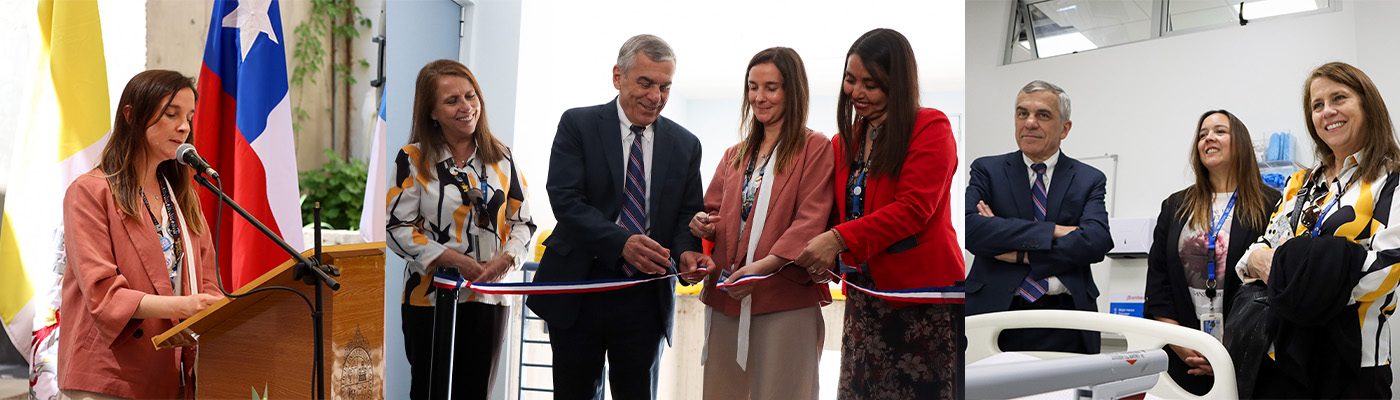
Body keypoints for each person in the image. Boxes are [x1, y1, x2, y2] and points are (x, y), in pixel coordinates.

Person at [526, 34, 710, 400]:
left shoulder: (686, 144)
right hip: (579, 289)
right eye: (645, 83)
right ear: (618, 76)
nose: (655, 97)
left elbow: (686, 214)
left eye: (665, 86)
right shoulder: (577, 125)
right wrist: (621, 243)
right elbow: (565, 200)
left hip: (645, 297)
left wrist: (687, 250)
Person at [792, 28, 962, 399]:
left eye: (871, 84)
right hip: (864, 298)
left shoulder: (930, 127)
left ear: (897, 84)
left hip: (922, 299)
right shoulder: (845, 140)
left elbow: (913, 209)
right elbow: (837, 213)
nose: (856, 93)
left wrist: (836, 239)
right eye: (850, 80)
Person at [1237, 61, 1400, 399]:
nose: (1328, 111)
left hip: (1352, 366)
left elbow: (1388, 265)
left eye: (1339, 98)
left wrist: (1290, 276)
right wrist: (1305, 268)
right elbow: (1257, 252)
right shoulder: (1300, 184)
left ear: (1367, 104)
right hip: (1278, 356)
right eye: (1317, 105)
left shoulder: (1392, 179)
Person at [58, 70, 223, 400]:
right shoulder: (90, 193)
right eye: (171, 113)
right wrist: (185, 305)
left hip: (173, 370)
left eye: (189, 116)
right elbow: (104, 294)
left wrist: (216, 306)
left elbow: (206, 283)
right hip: (109, 374)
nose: (184, 127)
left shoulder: (183, 198)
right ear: (132, 116)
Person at [686, 47, 833, 400]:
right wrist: (703, 224)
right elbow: (713, 210)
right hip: (728, 297)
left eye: (771, 87)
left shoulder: (814, 147)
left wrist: (760, 270)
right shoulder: (735, 155)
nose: (759, 97)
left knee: (784, 391)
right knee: (723, 392)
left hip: (783, 299)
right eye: (753, 87)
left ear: (792, 91)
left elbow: (810, 221)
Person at [386, 59, 536, 400]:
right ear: (432, 112)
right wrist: (451, 259)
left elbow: (523, 223)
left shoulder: (502, 158)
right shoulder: (413, 158)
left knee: (476, 393)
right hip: (430, 299)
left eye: (471, 96)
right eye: (452, 101)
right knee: (430, 391)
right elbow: (397, 226)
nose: (466, 107)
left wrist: (507, 260)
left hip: (489, 297)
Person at [964, 80, 1114, 354]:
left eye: (1043, 115)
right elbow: (972, 230)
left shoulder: (1089, 179)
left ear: (1064, 128)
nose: (1030, 122)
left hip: (1068, 320)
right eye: (1022, 113)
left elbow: (1096, 240)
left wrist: (1021, 254)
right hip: (995, 316)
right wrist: (1055, 230)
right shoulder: (987, 170)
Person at [1143, 110, 1280, 395]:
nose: (1208, 139)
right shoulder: (1175, 206)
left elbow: (1274, 288)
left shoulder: (1271, 204)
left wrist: (1228, 352)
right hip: (1183, 358)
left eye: (1219, 131)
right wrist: (1187, 349)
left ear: (1240, 142)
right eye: (1202, 134)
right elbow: (1158, 288)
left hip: (1250, 358)